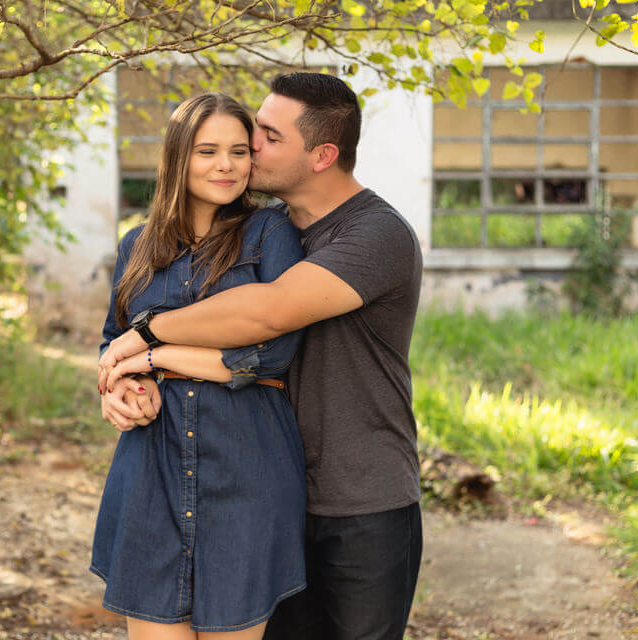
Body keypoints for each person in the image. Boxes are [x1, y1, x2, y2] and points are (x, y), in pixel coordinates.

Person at [100, 72, 424, 640]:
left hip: (361, 497)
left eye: (265, 138)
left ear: (322, 155)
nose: (249, 151)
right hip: (273, 484)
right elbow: (114, 340)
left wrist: (148, 342)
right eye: (221, 145)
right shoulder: (272, 230)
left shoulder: (372, 234)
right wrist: (119, 382)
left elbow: (267, 317)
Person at [89, 93, 308, 639]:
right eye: (207, 150)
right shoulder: (136, 247)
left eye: (239, 151)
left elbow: (271, 355)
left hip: (246, 472)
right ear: (178, 157)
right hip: (150, 475)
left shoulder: (271, 235)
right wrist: (123, 388)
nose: (226, 165)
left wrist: (156, 355)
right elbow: (114, 344)